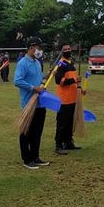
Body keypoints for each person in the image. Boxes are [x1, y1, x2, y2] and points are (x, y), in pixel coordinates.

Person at [14, 37, 50, 169]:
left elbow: (38, 79)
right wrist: (33, 88)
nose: (40, 50)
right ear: (31, 47)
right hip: (28, 103)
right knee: (26, 132)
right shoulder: (23, 63)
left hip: (40, 103)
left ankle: (35, 156)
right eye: (38, 47)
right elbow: (17, 81)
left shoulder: (37, 62)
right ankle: (27, 159)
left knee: (37, 132)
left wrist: (45, 77)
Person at [54, 43, 82, 154]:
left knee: (70, 122)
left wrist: (79, 87)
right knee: (62, 123)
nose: (67, 50)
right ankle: (58, 145)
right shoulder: (61, 64)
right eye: (65, 49)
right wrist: (74, 80)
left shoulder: (71, 63)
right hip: (63, 100)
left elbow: (74, 79)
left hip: (72, 98)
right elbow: (59, 81)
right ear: (62, 51)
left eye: (69, 49)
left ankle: (68, 142)